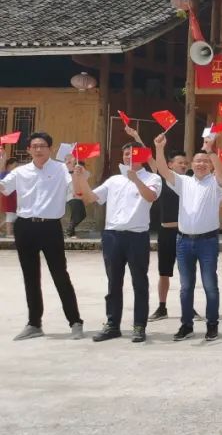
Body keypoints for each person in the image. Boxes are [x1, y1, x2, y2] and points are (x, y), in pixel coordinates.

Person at [71, 143, 161, 343]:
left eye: (134, 153)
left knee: (139, 282)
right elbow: (90, 198)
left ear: (143, 156)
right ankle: (112, 325)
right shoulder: (114, 180)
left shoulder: (152, 178)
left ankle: (139, 325)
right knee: (113, 282)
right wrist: (81, 178)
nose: (129, 156)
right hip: (112, 236)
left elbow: (150, 197)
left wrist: (136, 180)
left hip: (137, 236)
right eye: (126, 153)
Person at [0, 132, 84, 340]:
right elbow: (3, 188)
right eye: (34, 146)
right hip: (24, 227)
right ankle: (34, 324)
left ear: (50, 149)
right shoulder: (20, 172)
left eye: (43, 146)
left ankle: (75, 321)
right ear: (28, 149)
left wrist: (73, 170)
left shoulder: (61, 169)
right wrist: (1, 165)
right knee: (30, 276)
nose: (38, 149)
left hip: (50, 227)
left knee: (60, 274)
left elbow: (77, 190)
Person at [152, 131, 222, 341]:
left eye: (205, 161)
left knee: (210, 285)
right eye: (198, 161)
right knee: (186, 287)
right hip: (183, 241)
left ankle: (212, 325)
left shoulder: (215, 183)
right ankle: (186, 325)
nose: (201, 164)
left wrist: (210, 151)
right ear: (192, 165)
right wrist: (159, 148)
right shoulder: (184, 182)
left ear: (210, 165)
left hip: (207, 241)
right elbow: (163, 170)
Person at [150, 148, 189, 322]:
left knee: (187, 273)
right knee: (164, 272)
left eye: (185, 163)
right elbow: (150, 158)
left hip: (185, 233)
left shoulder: (190, 182)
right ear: (170, 164)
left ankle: (188, 307)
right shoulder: (162, 179)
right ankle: (162, 307)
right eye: (180, 162)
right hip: (166, 232)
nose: (183, 165)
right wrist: (136, 137)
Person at [64, 157, 88, 238]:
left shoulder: (82, 175)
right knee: (81, 215)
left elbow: (87, 175)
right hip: (73, 197)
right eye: (80, 167)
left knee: (76, 215)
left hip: (77, 197)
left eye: (82, 167)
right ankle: (69, 231)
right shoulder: (72, 175)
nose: (81, 169)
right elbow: (71, 185)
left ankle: (71, 232)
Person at [0, 157, 18, 237]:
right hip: (8, 197)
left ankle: (8, 232)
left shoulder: (15, 174)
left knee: (13, 215)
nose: (16, 167)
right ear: (9, 165)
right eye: (15, 165)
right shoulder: (5, 173)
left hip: (14, 197)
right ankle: (9, 233)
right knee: (10, 215)